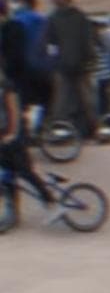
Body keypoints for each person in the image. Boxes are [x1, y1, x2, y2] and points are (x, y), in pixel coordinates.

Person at [0, 78, 64, 225]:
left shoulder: (6, 86)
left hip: (15, 138)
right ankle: (13, 213)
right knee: (8, 175)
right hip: (3, 140)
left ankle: (52, 203)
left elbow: (14, 110)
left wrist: (13, 133)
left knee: (25, 172)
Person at [43, 0, 98, 138]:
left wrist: (90, 60)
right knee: (63, 100)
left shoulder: (78, 17)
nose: (53, 1)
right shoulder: (54, 18)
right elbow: (48, 42)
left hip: (78, 65)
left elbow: (87, 41)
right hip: (64, 66)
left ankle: (91, 129)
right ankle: (63, 130)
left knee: (83, 99)